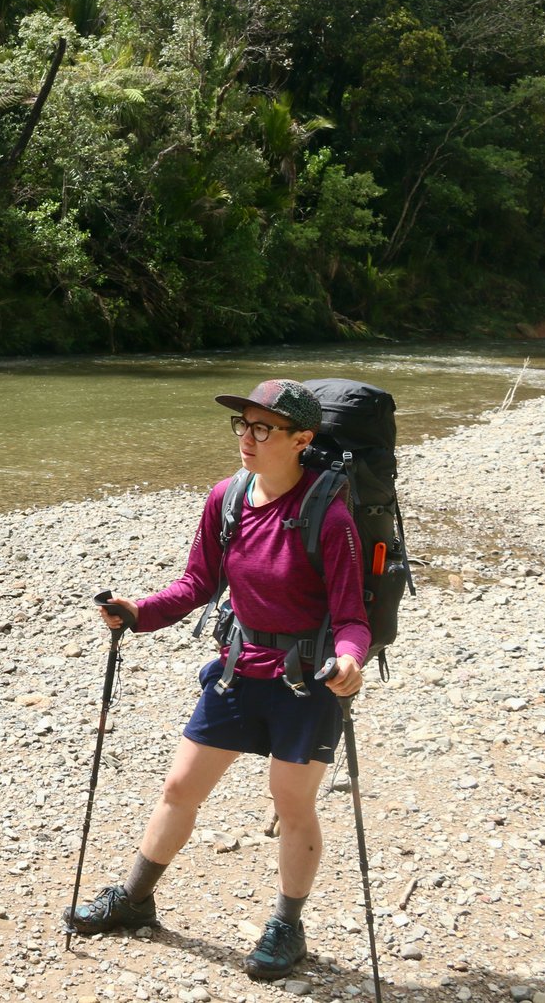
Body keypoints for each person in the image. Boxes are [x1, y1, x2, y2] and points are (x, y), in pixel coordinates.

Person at [64, 379, 368, 981]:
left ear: (301, 440)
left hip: (307, 680)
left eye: (263, 429)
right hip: (238, 669)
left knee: (291, 803)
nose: (247, 439)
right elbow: (197, 585)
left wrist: (351, 661)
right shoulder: (226, 499)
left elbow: (353, 616)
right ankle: (134, 898)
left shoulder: (329, 517)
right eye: (242, 426)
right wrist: (139, 611)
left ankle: (288, 925)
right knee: (180, 787)